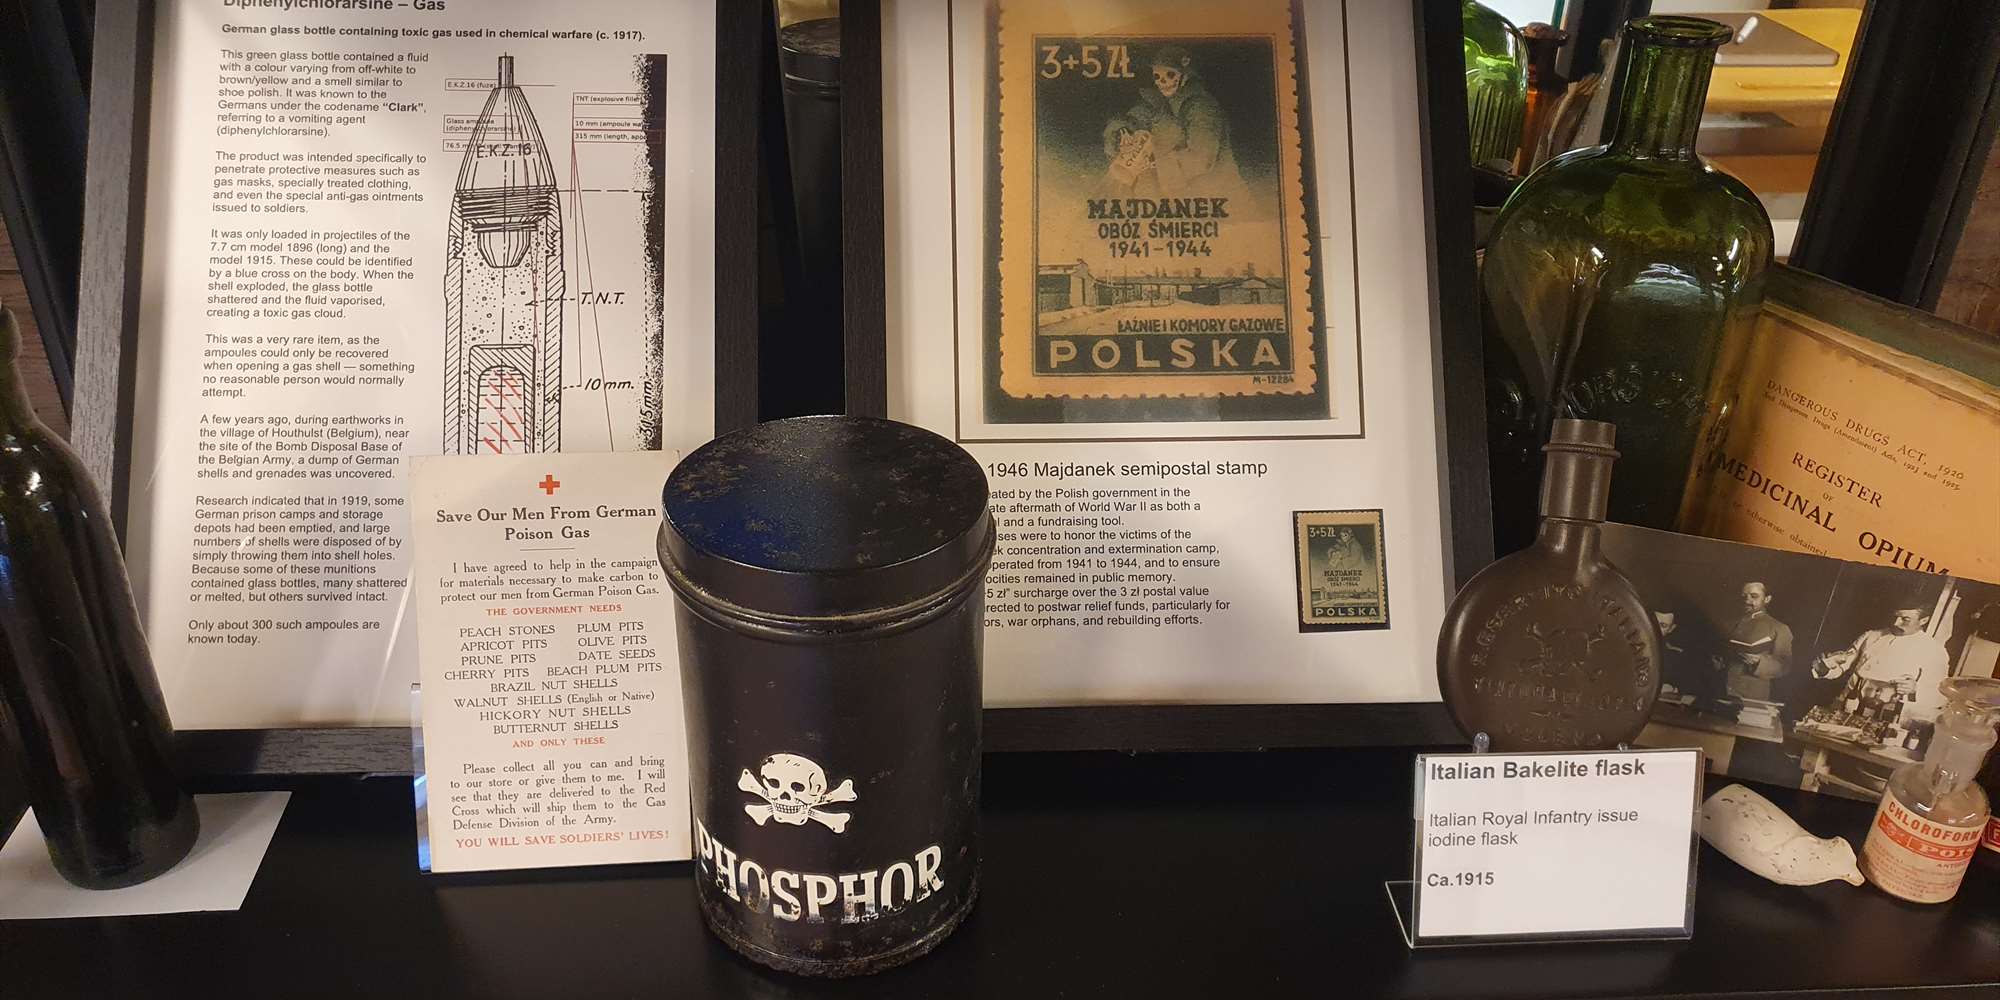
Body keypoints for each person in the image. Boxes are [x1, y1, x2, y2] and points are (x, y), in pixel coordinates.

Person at [1101, 45, 1241, 198]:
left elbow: (1202, 160)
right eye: (1157, 76)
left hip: (1214, 195)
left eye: (1170, 74)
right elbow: (1140, 115)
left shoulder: (1201, 108)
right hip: (1175, 194)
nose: (1162, 82)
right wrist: (1123, 133)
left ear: (1184, 75)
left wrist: (1153, 164)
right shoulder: (1161, 101)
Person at [1813, 596, 1950, 723]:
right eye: (1895, 617)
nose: (1896, 623)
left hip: (1888, 715)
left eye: (1905, 619)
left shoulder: (1934, 650)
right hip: (1848, 706)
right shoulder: (1871, 636)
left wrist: (1915, 690)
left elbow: (1941, 695)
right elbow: (1840, 668)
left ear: (1923, 620)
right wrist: (1824, 666)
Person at [1720, 581, 1793, 701]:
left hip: (1750, 694)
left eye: (1754, 596)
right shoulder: (1729, 623)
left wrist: (1759, 662)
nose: (1747, 601)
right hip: (1720, 688)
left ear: (1767, 599)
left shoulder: (1779, 628)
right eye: (1744, 596)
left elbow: (1785, 666)